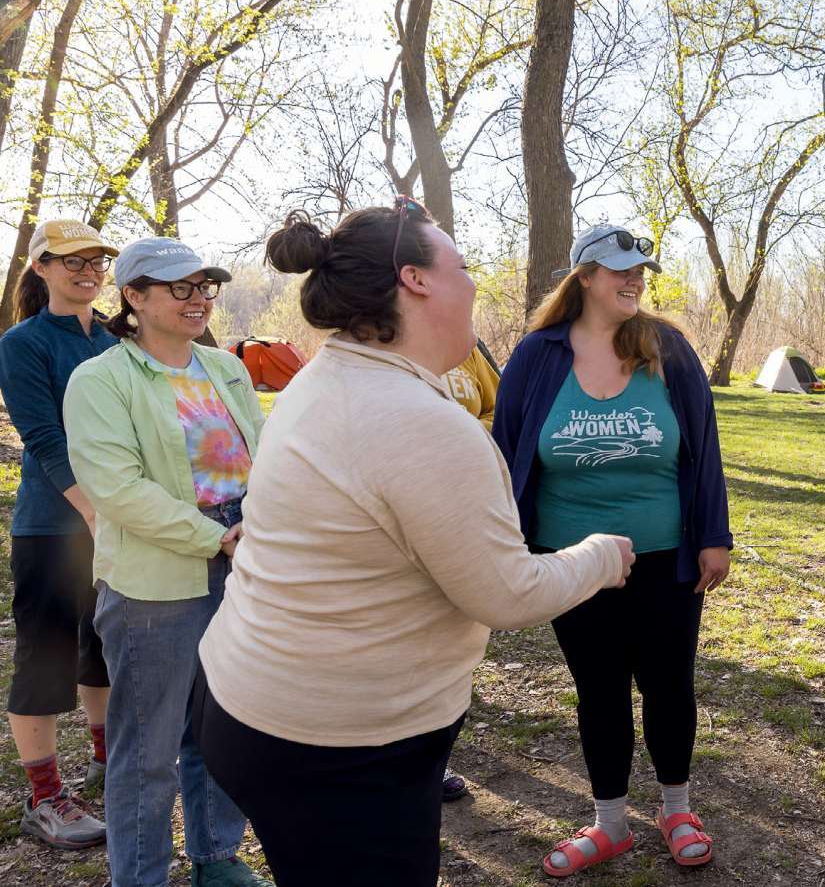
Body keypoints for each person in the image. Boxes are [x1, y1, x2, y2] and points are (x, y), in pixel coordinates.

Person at [190, 203, 633, 885]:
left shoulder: (322, 380)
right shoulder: (417, 422)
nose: (475, 284)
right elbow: (506, 592)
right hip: (335, 748)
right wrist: (602, 554)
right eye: (462, 267)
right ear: (416, 281)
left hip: (249, 707)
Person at [493, 223, 732, 877]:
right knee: (597, 690)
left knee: (668, 685)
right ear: (585, 277)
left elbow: (704, 450)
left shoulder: (668, 349)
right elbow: (506, 452)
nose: (634, 279)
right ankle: (611, 824)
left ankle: (678, 808)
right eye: (619, 269)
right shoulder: (537, 355)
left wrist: (714, 536)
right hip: (571, 564)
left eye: (640, 269)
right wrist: (503, 545)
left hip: (665, 560)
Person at [62, 237, 270, 885]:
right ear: (133, 296)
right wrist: (212, 536)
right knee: (147, 754)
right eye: (180, 287)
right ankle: (141, 876)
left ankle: (216, 859)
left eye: (205, 286)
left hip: (243, 566)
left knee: (225, 730)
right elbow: (118, 490)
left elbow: (258, 459)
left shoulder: (226, 368)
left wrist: (257, 526)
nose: (199, 298)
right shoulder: (100, 379)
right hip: (158, 586)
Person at [0, 220, 118, 850]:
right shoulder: (23, 343)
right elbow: (43, 439)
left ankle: (105, 764)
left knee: (102, 648)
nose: (88, 270)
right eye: (71, 260)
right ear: (42, 268)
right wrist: (94, 511)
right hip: (54, 527)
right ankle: (44, 798)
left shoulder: (115, 340)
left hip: (121, 524)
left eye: (97, 260)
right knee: (45, 659)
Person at [438, 336, 502, 803]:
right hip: (409, 504)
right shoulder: (384, 349)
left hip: (466, 503)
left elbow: (502, 407)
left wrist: (466, 431)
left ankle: (436, 754)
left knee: (454, 636)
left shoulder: (469, 350)